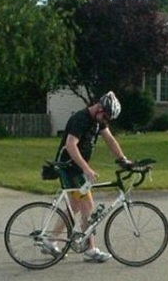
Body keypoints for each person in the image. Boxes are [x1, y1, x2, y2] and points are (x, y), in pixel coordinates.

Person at [45, 91, 131, 262]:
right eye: (106, 117)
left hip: (76, 169)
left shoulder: (99, 121)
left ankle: (50, 241)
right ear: (99, 108)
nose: (106, 121)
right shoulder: (82, 119)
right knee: (87, 204)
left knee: (76, 206)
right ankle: (91, 250)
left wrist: (123, 159)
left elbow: (110, 140)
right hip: (70, 168)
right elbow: (71, 145)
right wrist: (86, 169)